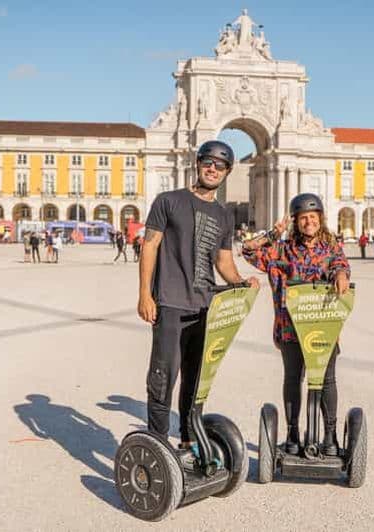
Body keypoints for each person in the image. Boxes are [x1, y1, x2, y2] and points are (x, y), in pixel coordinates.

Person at [137, 140, 259, 462]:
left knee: (196, 379)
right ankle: (158, 444)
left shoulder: (223, 214)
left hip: (207, 306)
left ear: (227, 172)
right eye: (208, 162)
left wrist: (241, 282)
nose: (213, 169)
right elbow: (149, 246)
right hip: (171, 303)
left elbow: (224, 262)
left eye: (220, 166)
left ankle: (189, 441)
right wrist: (144, 294)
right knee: (163, 377)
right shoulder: (169, 201)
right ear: (198, 164)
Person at [242, 193, 350, 456]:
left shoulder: (331, 249)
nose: (308, 222)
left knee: (327, 381)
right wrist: (273, 233)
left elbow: (341, 264)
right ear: (296, 221)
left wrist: (341, 274)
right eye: (303, 218)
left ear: (320, 219)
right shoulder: (282, 250)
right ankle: (291, 435)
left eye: (313, 217)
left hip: (324, 328)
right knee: (293, 379)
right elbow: (247, 251)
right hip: (290, 329)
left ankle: (330, 437)